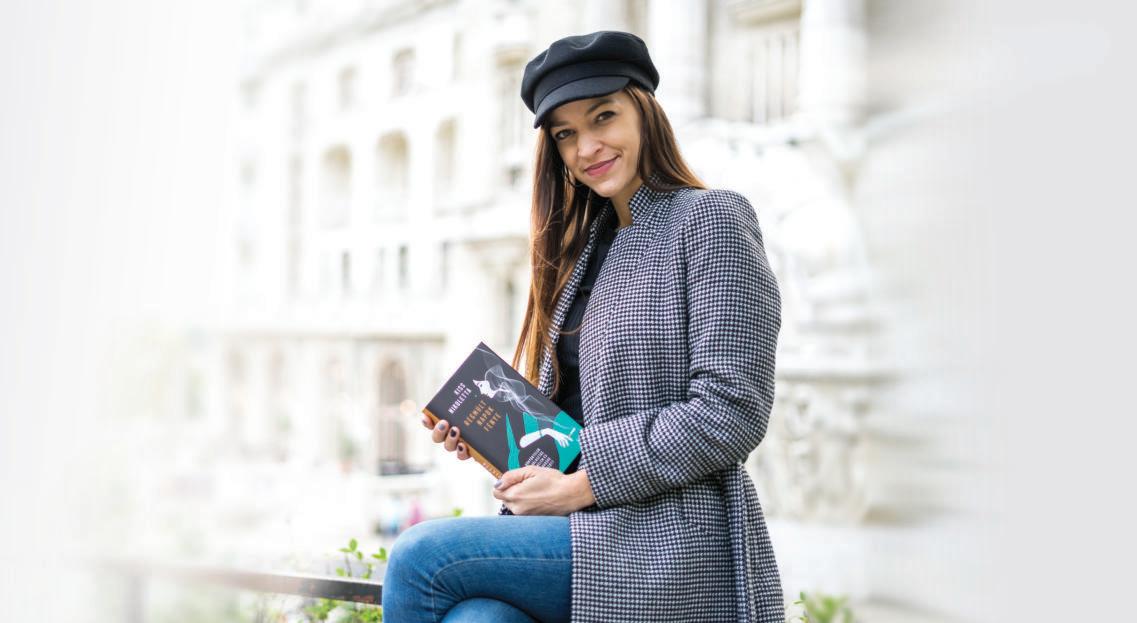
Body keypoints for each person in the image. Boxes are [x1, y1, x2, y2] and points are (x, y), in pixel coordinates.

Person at [382, 30, 784, 622]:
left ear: (644, 112)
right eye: (565, 134)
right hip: (579, 526)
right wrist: (496, 435)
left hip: (666, 538)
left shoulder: (711, 219)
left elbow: (731, 410)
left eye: (603, 117)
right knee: (480, 618)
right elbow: (577, 418)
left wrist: (582, 484)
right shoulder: (584, 249)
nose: (586, 147)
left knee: (422, 557)